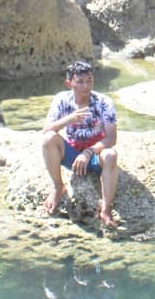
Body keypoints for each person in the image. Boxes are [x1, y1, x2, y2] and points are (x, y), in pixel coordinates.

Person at [42, 60, 120, 226]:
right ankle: (58, 188)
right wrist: (70, 119)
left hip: (95, 154)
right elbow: (47, 129)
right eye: (81, 81)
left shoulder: (104, 102)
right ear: (69, 83)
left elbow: (111, 138)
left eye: (90, 80)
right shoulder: (62, 99)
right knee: (49, 139)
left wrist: (89, 152)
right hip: (71, 152)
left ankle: (106, 208)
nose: (86, 86)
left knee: (111, 155)